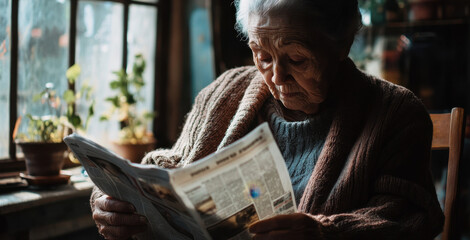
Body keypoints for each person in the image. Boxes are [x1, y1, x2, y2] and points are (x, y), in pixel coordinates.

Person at [91, 0, 444, 239]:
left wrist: (325, 233)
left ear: (342, 44)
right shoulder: (226, 90)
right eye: (261, 54)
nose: (276, 77)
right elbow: (176, 167)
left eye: (296, 58)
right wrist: (117, 197)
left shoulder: (394, 113)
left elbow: (408, 219)